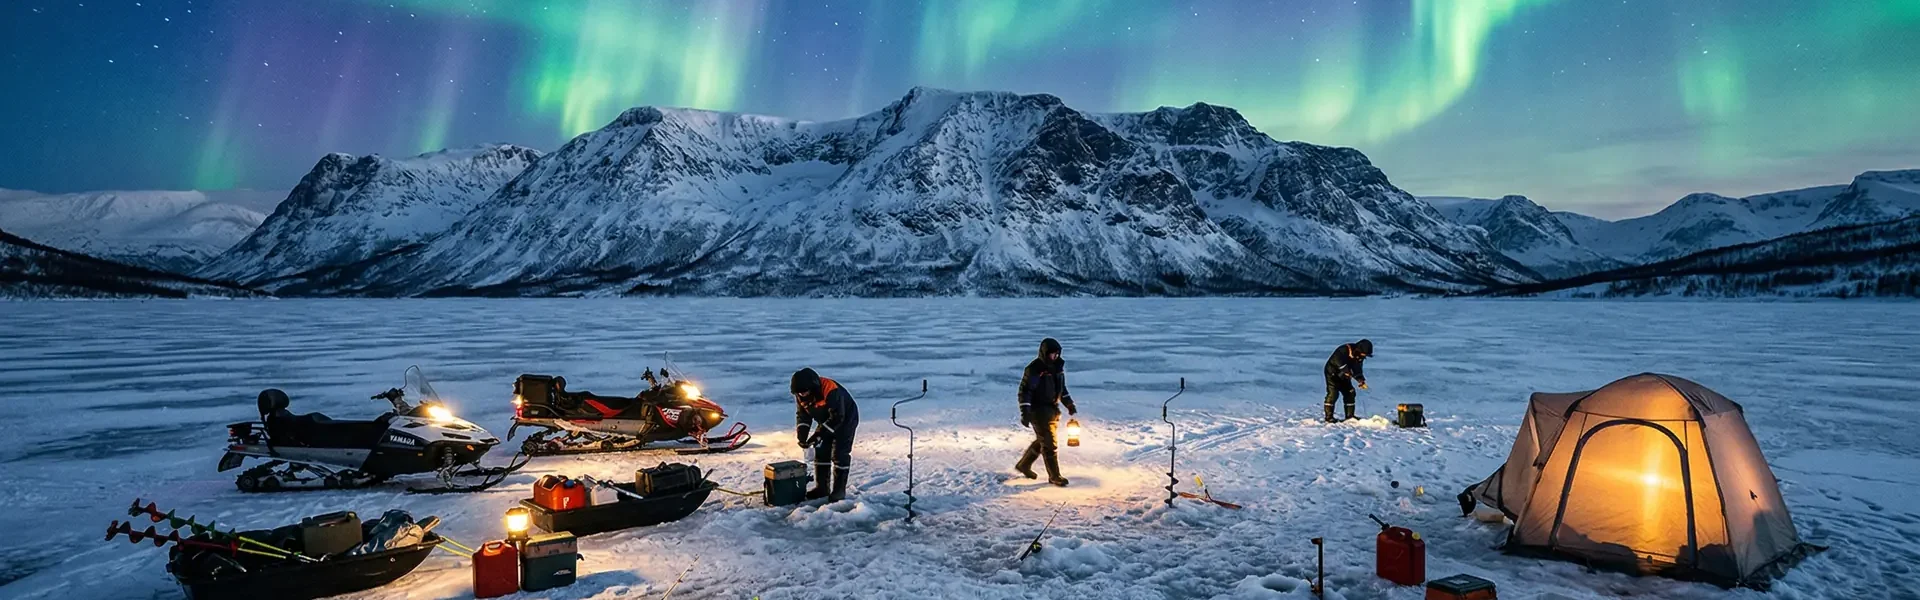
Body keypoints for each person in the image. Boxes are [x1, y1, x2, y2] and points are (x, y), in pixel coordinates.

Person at [1015, 338, 1076, 486]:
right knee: (1049, 443)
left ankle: (1024, 465)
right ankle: (1054, 476)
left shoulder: (1058, 367)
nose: (1055, 356)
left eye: (1057, 354)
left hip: (1052, 410)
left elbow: (1061, 388)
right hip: (1038, 411)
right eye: (1052, 354)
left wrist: (1069, 403)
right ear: (1045, 353)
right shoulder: (1035, 369)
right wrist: (1025, 411)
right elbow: (1025, 391)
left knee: (1043, 440)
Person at [792, 368, 859, 501]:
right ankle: (822, 489)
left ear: (813, 387)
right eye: (799, 392)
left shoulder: (830, 389)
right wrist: (802, 436)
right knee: (821, 451)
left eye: (804, 391)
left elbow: (837, 417)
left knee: (840, 454)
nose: (802, 394)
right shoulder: (801, 395)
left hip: (845, 419)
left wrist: (819, 434)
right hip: (825, 420)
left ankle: (839, 491)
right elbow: (803, 416)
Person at [1323, 339, 1373, 422]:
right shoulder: (1344, 350)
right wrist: (1346, 371)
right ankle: (1329, 417)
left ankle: (1350, 416)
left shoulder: (1359, 356)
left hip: (1345, 376)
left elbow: (1357, 369)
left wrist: (1360, 380)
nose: (1363, 356)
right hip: (1332, 374)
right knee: (1333, 394)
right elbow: (1338, 362)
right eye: (1363, 354)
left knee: (1350, 393)